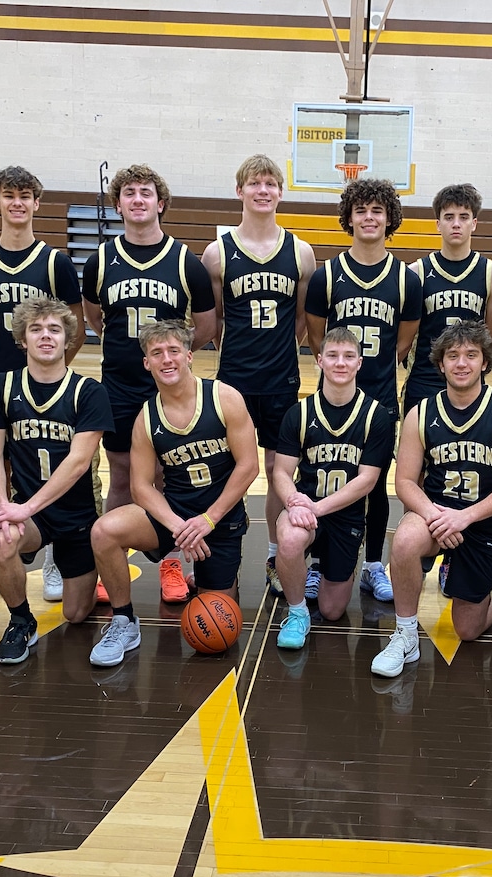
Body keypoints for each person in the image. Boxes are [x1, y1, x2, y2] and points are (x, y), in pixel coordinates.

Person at [81, 164, 217, 603]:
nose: (137, 199)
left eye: (146, 192)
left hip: (168, 389)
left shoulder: (185, 261)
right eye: (129, 193)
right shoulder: (100, 261)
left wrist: (168, 362)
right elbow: (95, 318)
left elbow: (205, 326)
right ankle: (111, 563)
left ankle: (171, 563)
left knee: (168, 477)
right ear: (118, 204)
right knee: (122, 474)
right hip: (119, 386)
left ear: (161, 203)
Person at [88, 322, 258, 668]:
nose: (166, 359)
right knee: (104, 531)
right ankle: (124, 621)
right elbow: (140, 487)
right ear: (146, 363)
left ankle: (219, 577)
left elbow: (249, 466)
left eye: (173, 351)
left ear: (189, 356)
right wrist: (180, 527)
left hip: (219, 518)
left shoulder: (224, 397)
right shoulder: (145, 418)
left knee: (217, 627)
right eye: (156, 353)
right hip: (175, 513)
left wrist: (208, 520)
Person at [372, 322, 492, 678]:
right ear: (441, 364)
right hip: (435, 515)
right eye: (453, 355)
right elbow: (404, 482)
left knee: (467, 630)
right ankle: (405, 635)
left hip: (484, 520)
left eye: (471, 355)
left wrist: (465, 518)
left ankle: (486, 591)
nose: (462, 363)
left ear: (485, 362)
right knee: (405, 539)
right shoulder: (420, 413)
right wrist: (434, 515)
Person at [0, 165, 85, 605]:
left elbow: (74, 327)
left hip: (48, 384)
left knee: (48, 466)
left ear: (37, 203)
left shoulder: (55, 262)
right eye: (9, 195)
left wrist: (49, 370)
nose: (17, 203)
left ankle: (52, 556)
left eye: (25, 195)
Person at [202, 155, 316, 600]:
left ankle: (273, 555)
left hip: (281, 379)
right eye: (254, 183)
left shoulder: (300, 252)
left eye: (270, 183)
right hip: (233, 380)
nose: (263, 190)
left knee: (276, 469)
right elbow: (216, 322)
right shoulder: (218, 253)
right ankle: (220, 557)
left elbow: (301, 321)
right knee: (226, 469)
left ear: (280, 193)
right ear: (240, 191)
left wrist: (276, 355)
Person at [305, 177, 423, 604]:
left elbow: (403, 342)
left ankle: (373, 564)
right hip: (333, 399)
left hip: (380, 400)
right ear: (349, 218)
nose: (369, 217)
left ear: (390, 218)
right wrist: (340, 373)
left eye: (377, 210)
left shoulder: (406, 280)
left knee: (375, 485)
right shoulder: (327, 275)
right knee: (322, 477)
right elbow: (317, 339)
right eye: (361, 210)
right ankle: (317, 563)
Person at [0, 297, 112, 665]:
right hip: (29, 513)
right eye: (36, 329)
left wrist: (24, 508)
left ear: (68, 339)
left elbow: (78, 462)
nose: (45, 336)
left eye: (54, 329)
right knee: (1, 538)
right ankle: (21, 619)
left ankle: (81, 570)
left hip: (76, 515)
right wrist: (2, 505)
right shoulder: (1, 386)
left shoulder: (88, 391)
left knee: (76, 613)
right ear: (22, 339)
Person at [271, 328, 394, 649]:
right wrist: (294, 502)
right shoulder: (299, 413)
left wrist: (316, 508)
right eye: (333, 356)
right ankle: (297, 613)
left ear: (359, 363)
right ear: (320, 360)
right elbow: (281, 472)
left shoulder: (376, 416)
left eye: (349, 356)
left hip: (346, 516)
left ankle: (324, 569)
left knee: (332, 610)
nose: (341, 363)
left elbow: (367, 480)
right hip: (305, 510)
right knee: (290, 539)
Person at [404, 183, 492, 414]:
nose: (456, 223)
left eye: (464, 217)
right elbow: (407, 338)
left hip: (470, 384)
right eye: (449, 217)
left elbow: (490, 341)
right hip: (424, 382)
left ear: (474, 223)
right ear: (438, 224)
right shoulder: (416, 273)